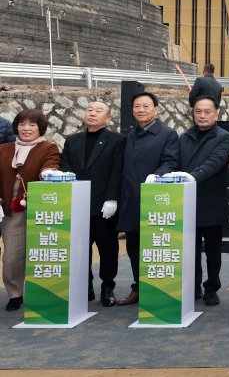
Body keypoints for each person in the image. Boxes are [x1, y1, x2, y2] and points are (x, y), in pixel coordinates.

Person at [59, 101, 125, 307]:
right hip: (78, 204)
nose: (92, 113)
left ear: (108, 118)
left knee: (108, 248)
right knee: (80, 248)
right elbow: (65, 166)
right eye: (89, 110)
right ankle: (85, 286)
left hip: (104, 205)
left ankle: (107, 287)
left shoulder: (117, 140)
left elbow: (118, 170)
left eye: (98, 111)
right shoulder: (72, 140)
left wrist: (112, 198)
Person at [116, 91, 179, 306]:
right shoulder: (130, 134)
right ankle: (138, 287)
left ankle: (158, 288)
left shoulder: (168, 134)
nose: (141, 110)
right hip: (130, 200)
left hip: (154, 200)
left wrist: (156, 176)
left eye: (145, 106)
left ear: (156, 109)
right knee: (133, 248)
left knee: (155, 247)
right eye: (137, 106)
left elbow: (171, 162)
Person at [175, 98, 229, 306]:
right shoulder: (184, 137)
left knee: (213, 250)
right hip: (187, 201)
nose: (202, 115)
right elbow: (175, 162)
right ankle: (193, 286)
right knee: (190, 249)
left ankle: (212, 287)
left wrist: (191, 176)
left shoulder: (225, 137)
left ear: (216, 114)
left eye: (207, 111)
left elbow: (215, 162)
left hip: (212, 201)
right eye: (198, 111)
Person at [0, 109, 61, 311]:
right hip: (10, 209)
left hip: (38, 209)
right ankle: (15, 293)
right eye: (22, 124)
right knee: (11, 256)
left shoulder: (49, 147)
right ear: (16, 127)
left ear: (40, 128)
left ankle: (43, 292)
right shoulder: (4, 149)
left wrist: (48, 173)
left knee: (40, 252)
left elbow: (51, 164)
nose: (26, 128)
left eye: (32, 125)